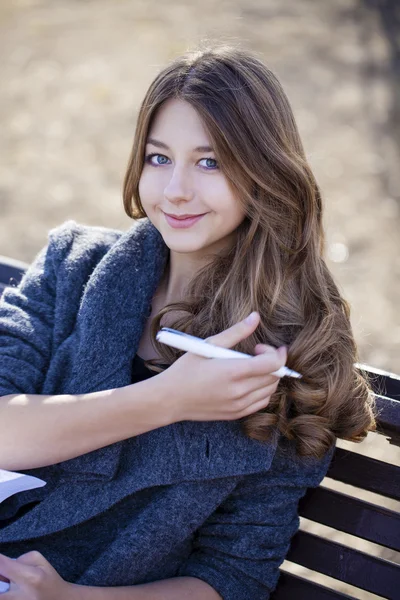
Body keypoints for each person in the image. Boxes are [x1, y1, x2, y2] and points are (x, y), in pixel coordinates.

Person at [0, 43, 376, 599]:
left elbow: (232, 575)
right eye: (158, 158)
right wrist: (167, 399)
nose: (176, 190)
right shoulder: (71, 265)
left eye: (210, 162)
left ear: (265, 171)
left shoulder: (297, 354)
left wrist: (72, 599)